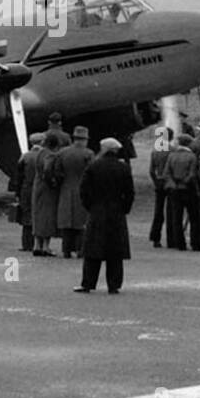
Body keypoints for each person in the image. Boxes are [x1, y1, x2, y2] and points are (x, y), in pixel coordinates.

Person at [75, 138, 134, 294]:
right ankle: (114, 285)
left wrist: (90, 207)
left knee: (92, 250)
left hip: (97, 211)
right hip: (117, 212)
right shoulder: (124, 168)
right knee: (115, 252)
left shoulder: (94, 166)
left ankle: (87, 283)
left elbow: (84, 190)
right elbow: (129, 193)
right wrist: (124, 209)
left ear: (104, 149)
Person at [55, 126, 93, 259]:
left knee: (67, 222)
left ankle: (66, 250)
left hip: (65, 189)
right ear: (85, 140)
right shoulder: (88, 154)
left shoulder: (62, 153)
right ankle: (80, 250)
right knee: (81, 223)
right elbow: (91, 173)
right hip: (82, 191)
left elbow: (57, 172)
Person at [8, 133, 43, 252]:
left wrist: (17, 193)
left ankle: (26, 244)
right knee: (39, 215)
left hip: (26, 189)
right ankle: (39, 244)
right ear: (42, 142)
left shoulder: (24, 157)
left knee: (26, 216)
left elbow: (18, 177)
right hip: (40, 189)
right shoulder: (45, 156)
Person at [162, 133, 198, 251]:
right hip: (188, 190)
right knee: (193, 217)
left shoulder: (172, 156)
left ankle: (179, 243)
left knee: (176, 217)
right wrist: (185, 182)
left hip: (175, 190)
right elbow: (192, 174)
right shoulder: (192, 157)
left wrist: (174, 183)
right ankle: (195, 242)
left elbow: (167, 173)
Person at [32, 132, 63, 256]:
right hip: (47, 188)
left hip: (37, 185)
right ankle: (45, 246)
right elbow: (47, 169)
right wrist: (53, 182)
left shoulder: (40, 153)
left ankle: (36, 244)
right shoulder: (51, 155)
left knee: (37, 213)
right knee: (48, 215)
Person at [148, 127, 172, 248]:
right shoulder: (172, 150)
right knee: (171, 212)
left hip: (159, 183)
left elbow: (151, 171)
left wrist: (156, 182)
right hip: (170, 183)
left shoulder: (155, 151)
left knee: (158, 212)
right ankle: (171, 238)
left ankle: (155, 237)